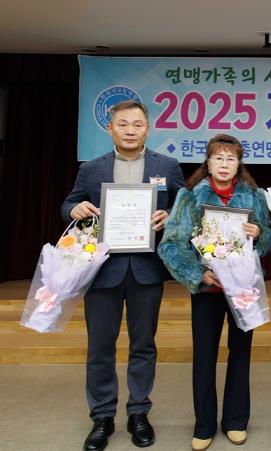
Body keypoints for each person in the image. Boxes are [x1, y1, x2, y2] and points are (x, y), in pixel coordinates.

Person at [61, 100, 185, 451]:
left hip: (147, 270)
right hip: (102, 270)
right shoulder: (91, 169)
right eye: (123, 124)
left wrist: (170, 216)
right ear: (110, 128)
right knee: (100, 347)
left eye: (137, 124)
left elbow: (183, 207)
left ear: (148, 128)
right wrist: (74, 209)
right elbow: (68, 204)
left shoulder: (167, 166)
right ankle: (102, 416)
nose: (130, 130)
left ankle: (138, 412)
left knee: (143, 345)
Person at [158, 134, 271, 450]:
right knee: (205, 356)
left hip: (243, 289)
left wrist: (259, 232)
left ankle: (236, 421)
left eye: (230, 158)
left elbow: (269, 239)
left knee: (241, 354)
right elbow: (171, 245)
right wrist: (199, 274)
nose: (224, 164)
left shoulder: (254, 197)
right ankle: (204, 425)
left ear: (239, 164)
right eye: (218, 158)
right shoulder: (189, 197)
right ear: (208, 163)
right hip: (208, 289)